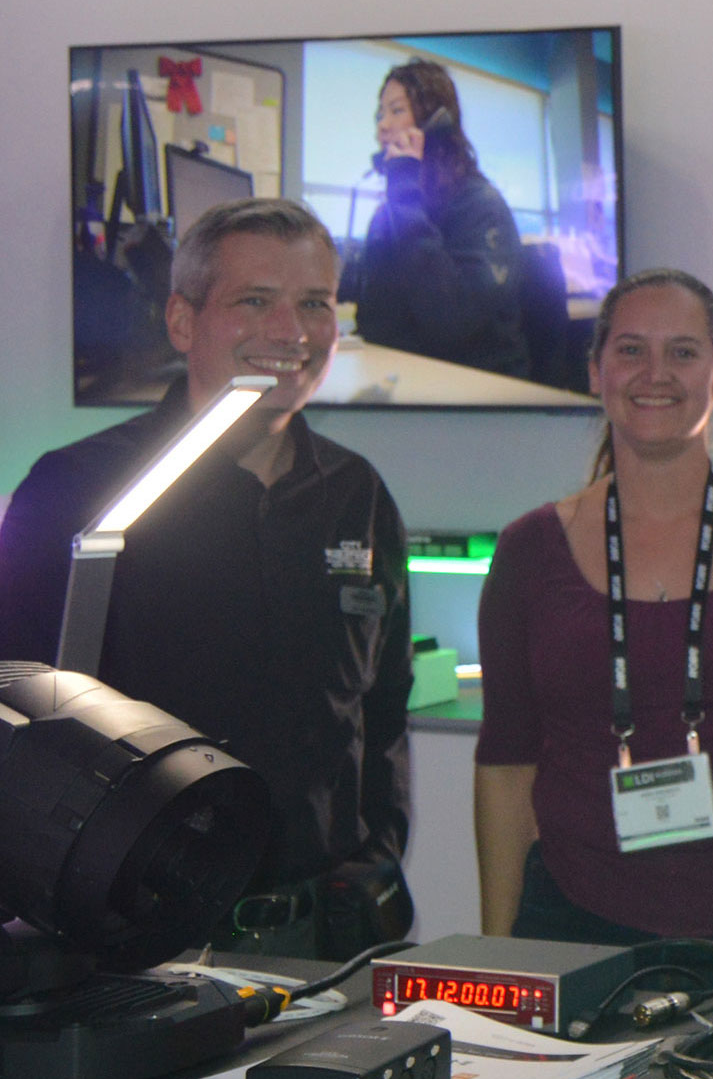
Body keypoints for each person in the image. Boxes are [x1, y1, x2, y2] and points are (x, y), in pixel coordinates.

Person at [0, 197, 414, 960]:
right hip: (139, 943)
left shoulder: (355, 494)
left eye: (313, 303)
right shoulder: (77, 490)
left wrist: (376, 853)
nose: (290, 332)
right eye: (254, 301)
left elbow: (383, 711)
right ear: (183, 321)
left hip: (323, 939)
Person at [473, 268, 713, 1000]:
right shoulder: (530, 549)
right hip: (575, 920)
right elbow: (507, 763)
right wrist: (501, 954)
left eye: (682, 353)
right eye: (630, 350)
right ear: (595, 371)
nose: (655, 374)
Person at [342, 57, 530, 379]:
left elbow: (451, 319)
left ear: (436, 120)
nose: (382, 126)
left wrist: (403, 195)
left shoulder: (479, 203)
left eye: (397, 110)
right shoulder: (397, 207)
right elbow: (374, 307)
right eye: (380, 114)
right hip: (396, 373)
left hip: (471, 387)